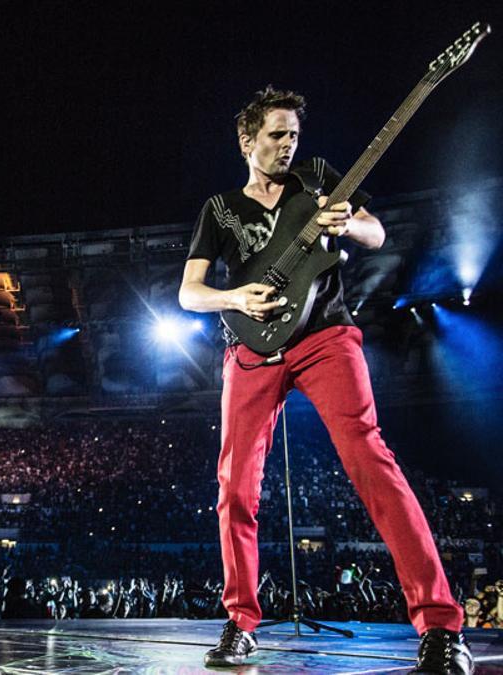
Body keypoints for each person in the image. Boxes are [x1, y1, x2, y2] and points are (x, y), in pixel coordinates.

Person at [179, 86, 472, 674]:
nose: (288, 145)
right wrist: (235, 295)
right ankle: (240, 623)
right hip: (252, 349)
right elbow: (190, 293)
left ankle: (440, 626)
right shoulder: (218, 210)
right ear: (246, 141)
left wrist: (348, 224)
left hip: (326, 338)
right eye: (275, 135)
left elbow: (376, 234)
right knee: (234, 487)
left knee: (371, 460)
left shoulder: (316, 178)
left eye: (293, 135)